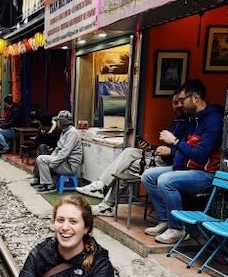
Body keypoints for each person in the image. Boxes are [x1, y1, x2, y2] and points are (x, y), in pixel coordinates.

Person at [77, 92, 188, 217]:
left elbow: (184, 149)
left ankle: (106, 203)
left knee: (128, 167)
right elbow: (167, 147)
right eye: (175, 103)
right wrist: (150, 147)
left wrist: (171, 151)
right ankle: (101, 185)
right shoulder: (177, 122)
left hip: (169, 163)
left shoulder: (188, 123)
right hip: (160, 156)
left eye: (180, 102)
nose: (178, 106)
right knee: (129, 151)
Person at [141, 79, 224, 244]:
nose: (180, 103)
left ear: (195, 98)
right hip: (187, 169)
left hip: (206, 174)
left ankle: (177, 228)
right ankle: (165, 220)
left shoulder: (213, 120)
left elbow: (200, 155)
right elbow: (185, 148)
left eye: (183, 99)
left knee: (166, 180)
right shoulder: (193, 118)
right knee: (148, 176)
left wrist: (175, 142)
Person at [31, 110, 83, 193]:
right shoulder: (64, 132)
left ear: (62, 122)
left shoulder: (72, 133)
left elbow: (64, 153)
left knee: (42, 159)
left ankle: (49, 185)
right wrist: (52, 158)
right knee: (41, 158)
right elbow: (58, 149)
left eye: (58, 120)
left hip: (69, 165)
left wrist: (52, 164)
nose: (56, 122)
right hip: (63, 162)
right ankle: (46, 183)